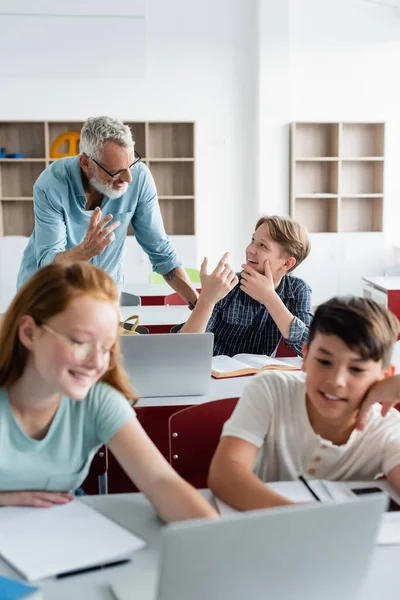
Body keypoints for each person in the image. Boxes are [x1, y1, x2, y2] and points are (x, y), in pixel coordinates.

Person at [0, 262, 216, 521]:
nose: (96, 363)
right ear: (28, 333)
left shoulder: (97, 399)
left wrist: (214, 537)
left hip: (59, 536)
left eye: (106, 349)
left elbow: (161, 481)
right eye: (80, 342)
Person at [208, 296, 400, 511]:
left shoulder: (387, 426)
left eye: (356, 369)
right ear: (306, 356)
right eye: (324, 362)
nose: (336, 381)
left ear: (385, 376)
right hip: (263, 527)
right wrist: (302, 520)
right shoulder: (272, 390)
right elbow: (225, 473)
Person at [17, 116, 198, 307]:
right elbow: (48, 263)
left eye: (131, 165)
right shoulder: (51, 185)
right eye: (116, 171)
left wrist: (198, 303)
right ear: (86, 163)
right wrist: (84, 252)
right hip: (49, 294)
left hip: (103, 298)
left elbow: (161, 252)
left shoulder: (139, 177)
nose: (127, 178)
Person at [180, 215, 312, 357]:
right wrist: (207, 299)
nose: (250, 249)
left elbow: (310, 350)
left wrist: (269, 298)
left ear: (286, 264)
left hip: (259, 377)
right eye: (252, 240)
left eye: (262, 245)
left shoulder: (298, 289)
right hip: (216, 376)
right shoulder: (227, 285)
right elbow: (186, 350)